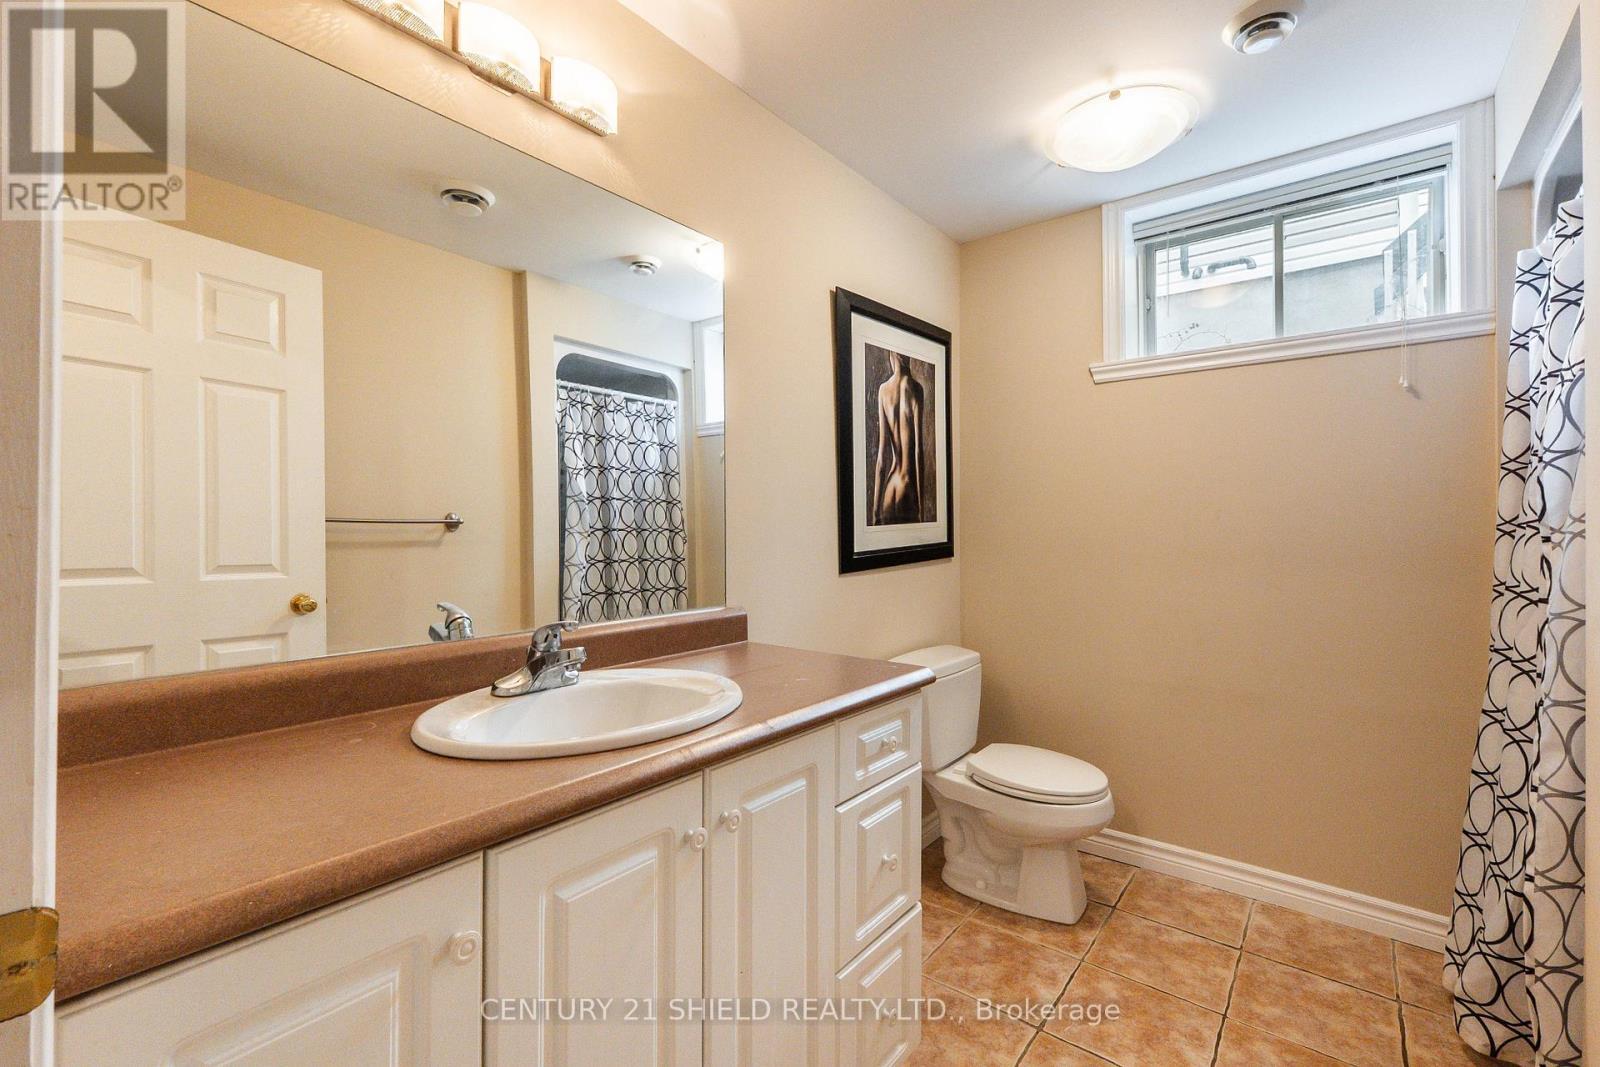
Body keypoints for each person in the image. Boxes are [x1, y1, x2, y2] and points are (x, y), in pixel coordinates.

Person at [869, 349, 926, 525]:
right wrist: (921, 508)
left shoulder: (883, 390)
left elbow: (881, 459)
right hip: (907, 487)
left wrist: (875, 509)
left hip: (889, 487)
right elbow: (918, 451)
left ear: (893, 356)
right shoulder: (916, 389)